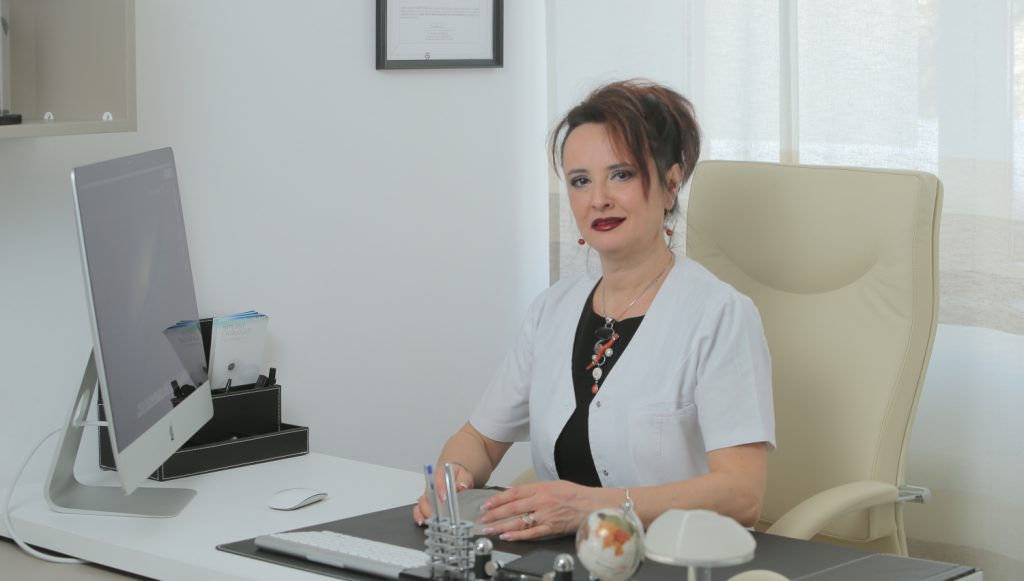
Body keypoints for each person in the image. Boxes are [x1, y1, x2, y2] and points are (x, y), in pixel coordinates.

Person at [414, 79, 775, 541]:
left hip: (675, 559)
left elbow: (742, 495)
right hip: (560, 558)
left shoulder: (719, 315)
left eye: (621, 174)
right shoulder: (552, 310)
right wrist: (453, 480)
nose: (598, 198)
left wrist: (593, 507)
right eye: (580, 181)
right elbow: (479, 440)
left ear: (670, 185)